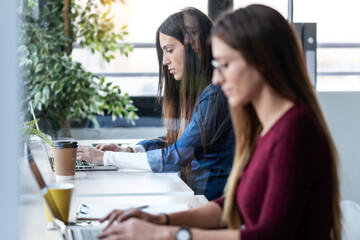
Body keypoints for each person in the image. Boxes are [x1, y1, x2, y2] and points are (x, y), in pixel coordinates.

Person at [96, 4, 342, 240]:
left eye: (224, 65)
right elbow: (234, 205)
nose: (216, 78)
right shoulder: (267, 128)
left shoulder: (295, 130)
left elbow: (271, 235)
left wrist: (167, 235)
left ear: (261, 63)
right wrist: (159, 220)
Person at [77, 7, 235, 200]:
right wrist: (129, 150)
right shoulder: (205, 92)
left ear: (195, 47)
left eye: (169, 50)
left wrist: (104, 158)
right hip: (194, 197)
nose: (165, 61)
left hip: (208, 204)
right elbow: (179, 140)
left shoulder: (215, 95)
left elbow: (175, 157)